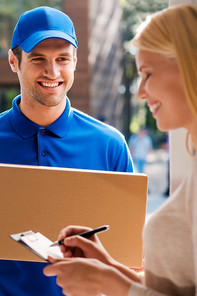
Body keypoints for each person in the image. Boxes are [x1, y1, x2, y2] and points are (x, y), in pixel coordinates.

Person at [44, 4, 197, 295]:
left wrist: (107, 282)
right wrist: (107, 266)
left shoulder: (110, 141)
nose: (140, 92)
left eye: (148, 73)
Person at [0, 6, 134, 296]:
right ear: (14, 61)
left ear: (75, 61)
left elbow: (128, 256)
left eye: (62, 59)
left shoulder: (110, 145)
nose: (52, 72)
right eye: (38, 59)